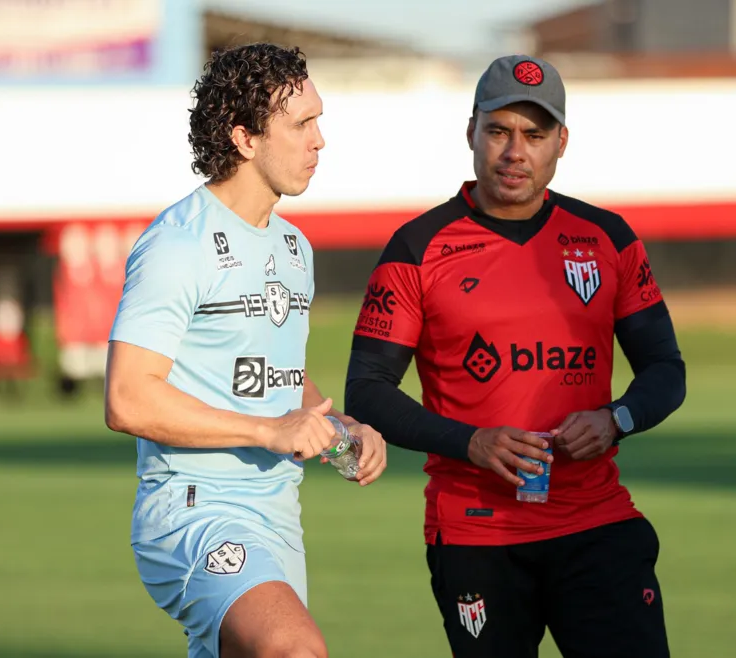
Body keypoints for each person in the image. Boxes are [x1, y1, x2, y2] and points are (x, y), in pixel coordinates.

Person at [344, 54, 685, 658]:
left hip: (596, 521)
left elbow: (665, 369)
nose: (514, 151)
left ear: (562, 142)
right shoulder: (416, 248)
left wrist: (616, 419)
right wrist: (471, 442)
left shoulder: (608, 238)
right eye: (498, 130)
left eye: (534, 134)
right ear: (470, 132)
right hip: (477, 532)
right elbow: (367, 390)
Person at [104, 43, 386, 658]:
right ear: (245, 138)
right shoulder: (178, 245)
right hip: (193, 510)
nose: (320, 140)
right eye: (301, 124)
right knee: (296, 650)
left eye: (319, 119)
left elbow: (278, 379)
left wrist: (342, 431)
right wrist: (267, 432)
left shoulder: (293, 247)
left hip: (277, 514)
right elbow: (127, 400)